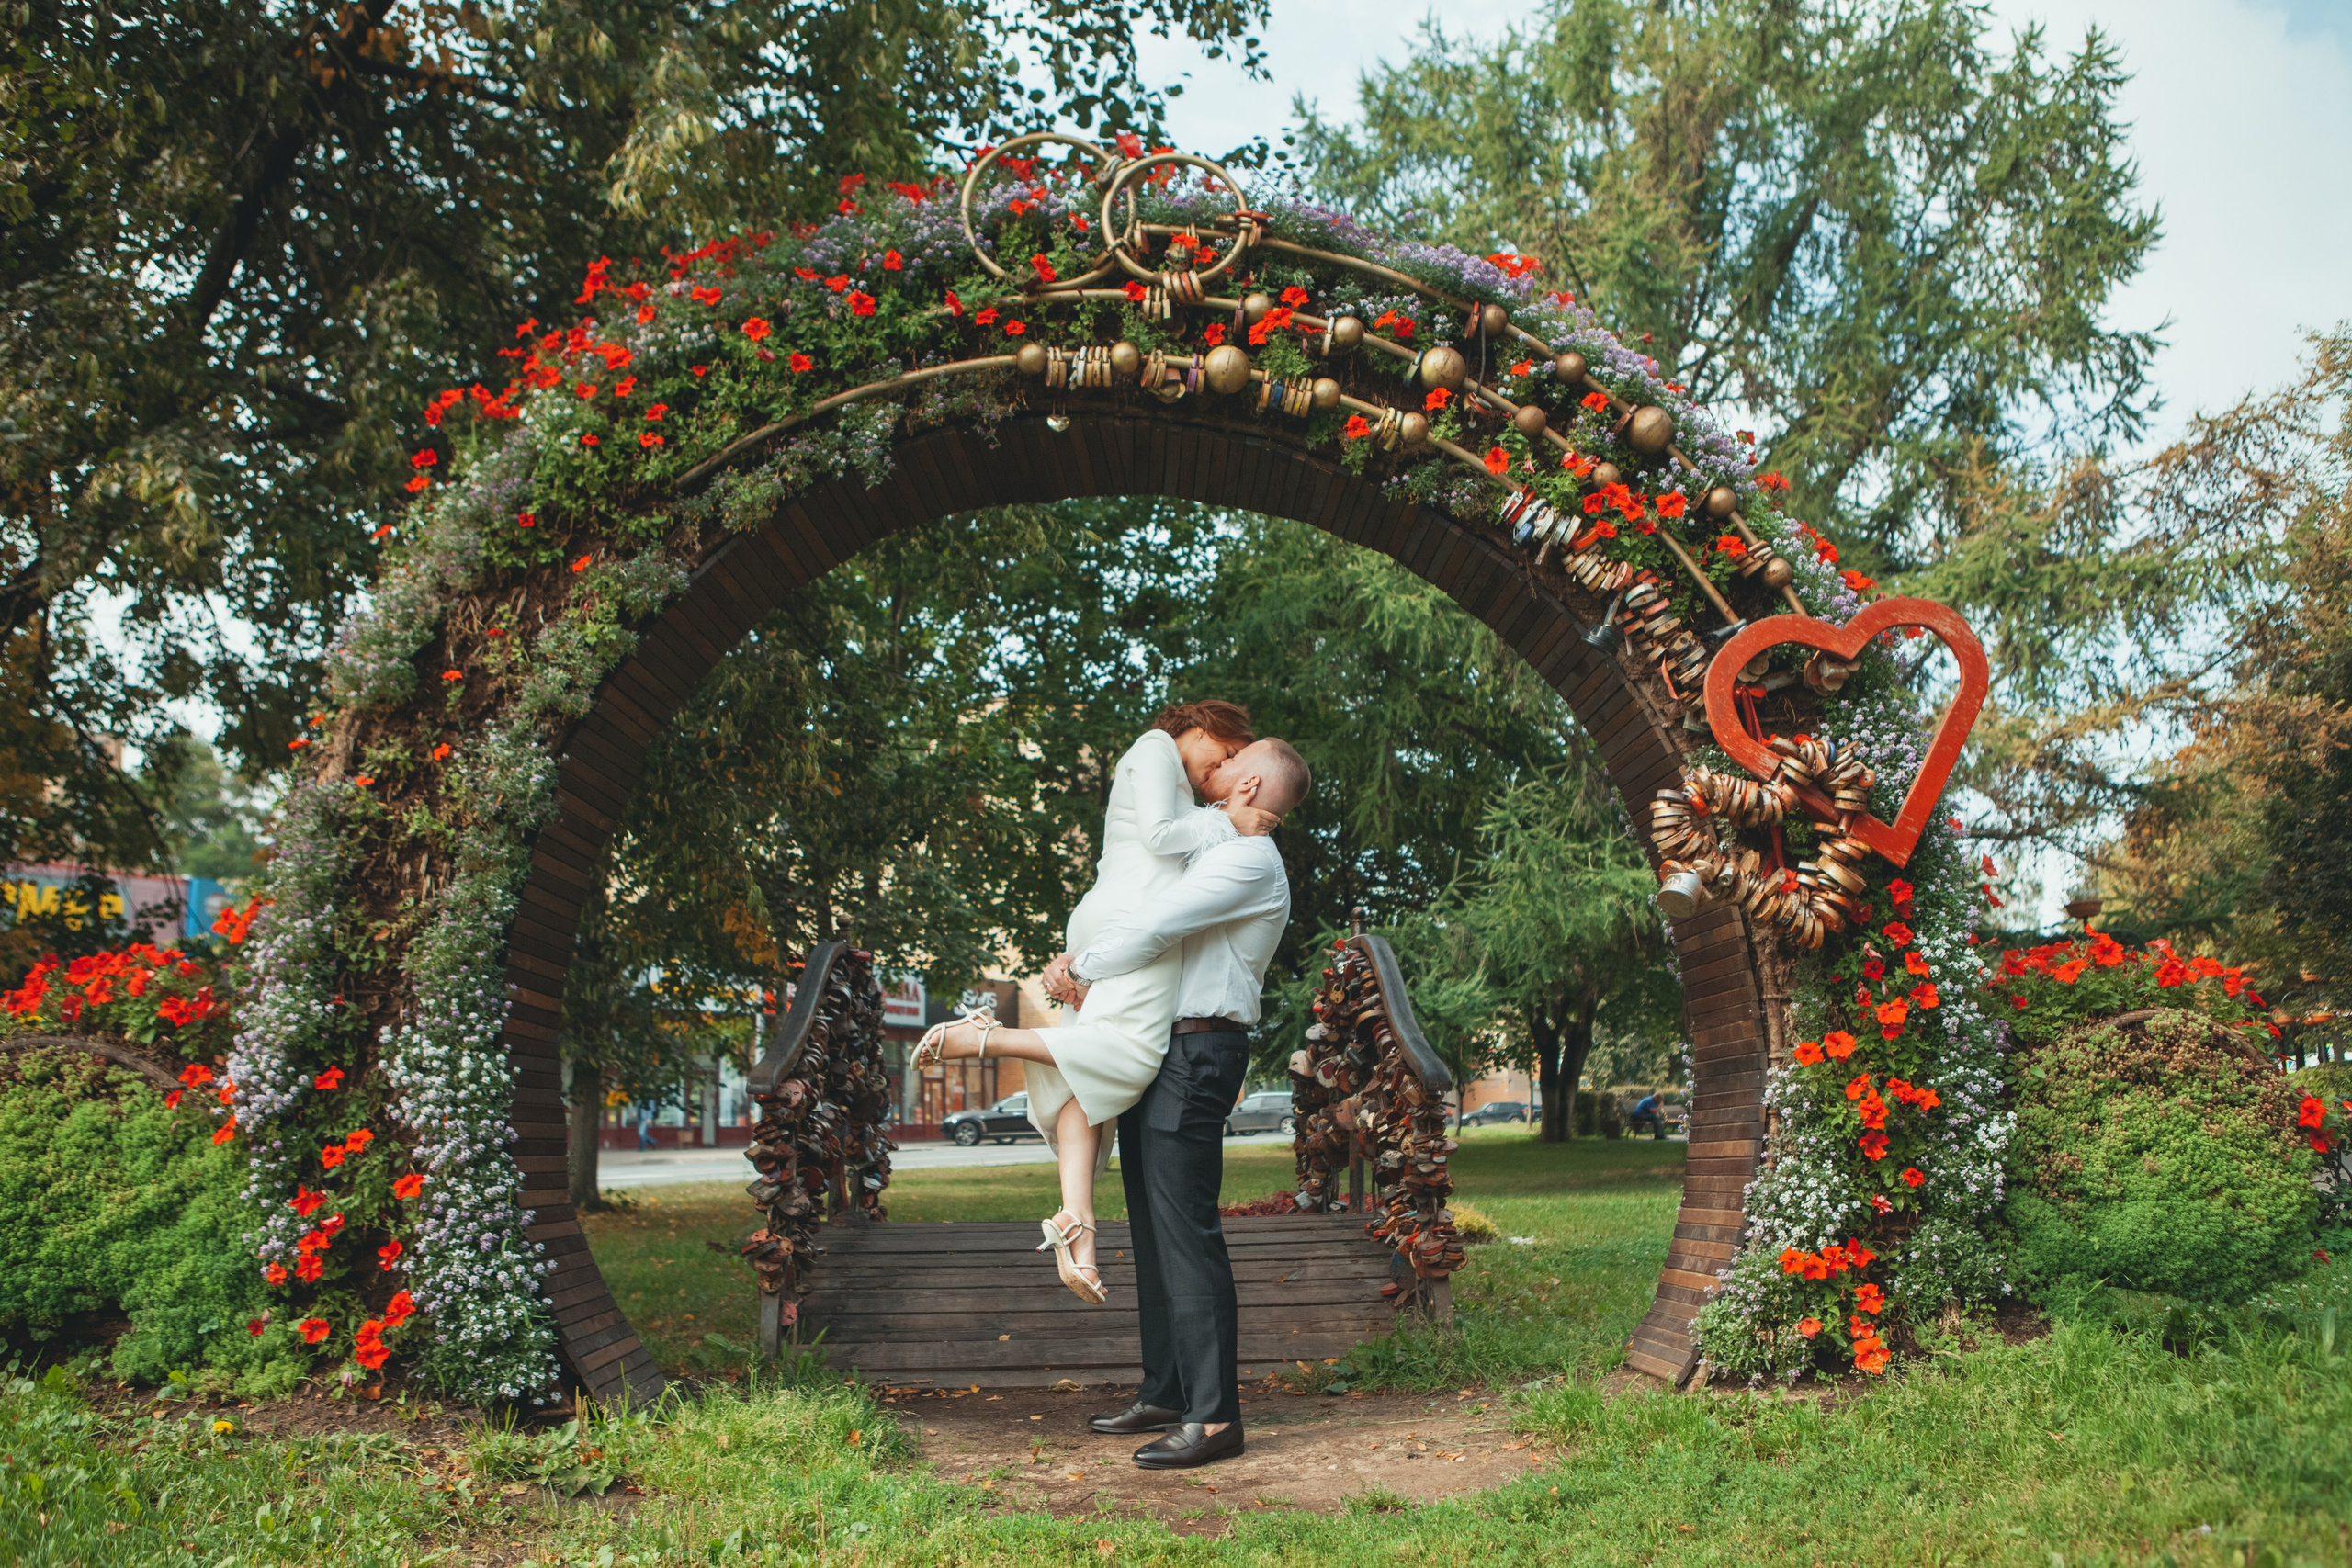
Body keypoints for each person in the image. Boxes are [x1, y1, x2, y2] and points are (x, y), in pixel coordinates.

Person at [912, 702, 1278, 1303]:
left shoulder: (1178, 785)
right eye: (1228, 751)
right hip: (1129, 926)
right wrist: (1229, 821)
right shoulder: (1155, 748)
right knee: (1129, 1056)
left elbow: (1166, 837)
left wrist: (1219, 816)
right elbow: (1160, 837)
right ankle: (984, 1037)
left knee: (1089, 1083)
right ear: (1203, 726)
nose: (1226, 766)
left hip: (1111, 923)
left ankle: (1077, 1221)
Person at [1050, 736, 1310, 1471]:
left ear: (1249, 783)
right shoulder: (1220, 840)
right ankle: (1166, 1391)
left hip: (1198, 1051)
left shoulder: (1249, 860)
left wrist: (1079, 969)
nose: (1214, 769)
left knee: (1187, 1232)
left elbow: (1159, 924)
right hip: (1164, 1046)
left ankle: (1215, 1416)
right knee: (1153, 1229)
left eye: (1229, 762)